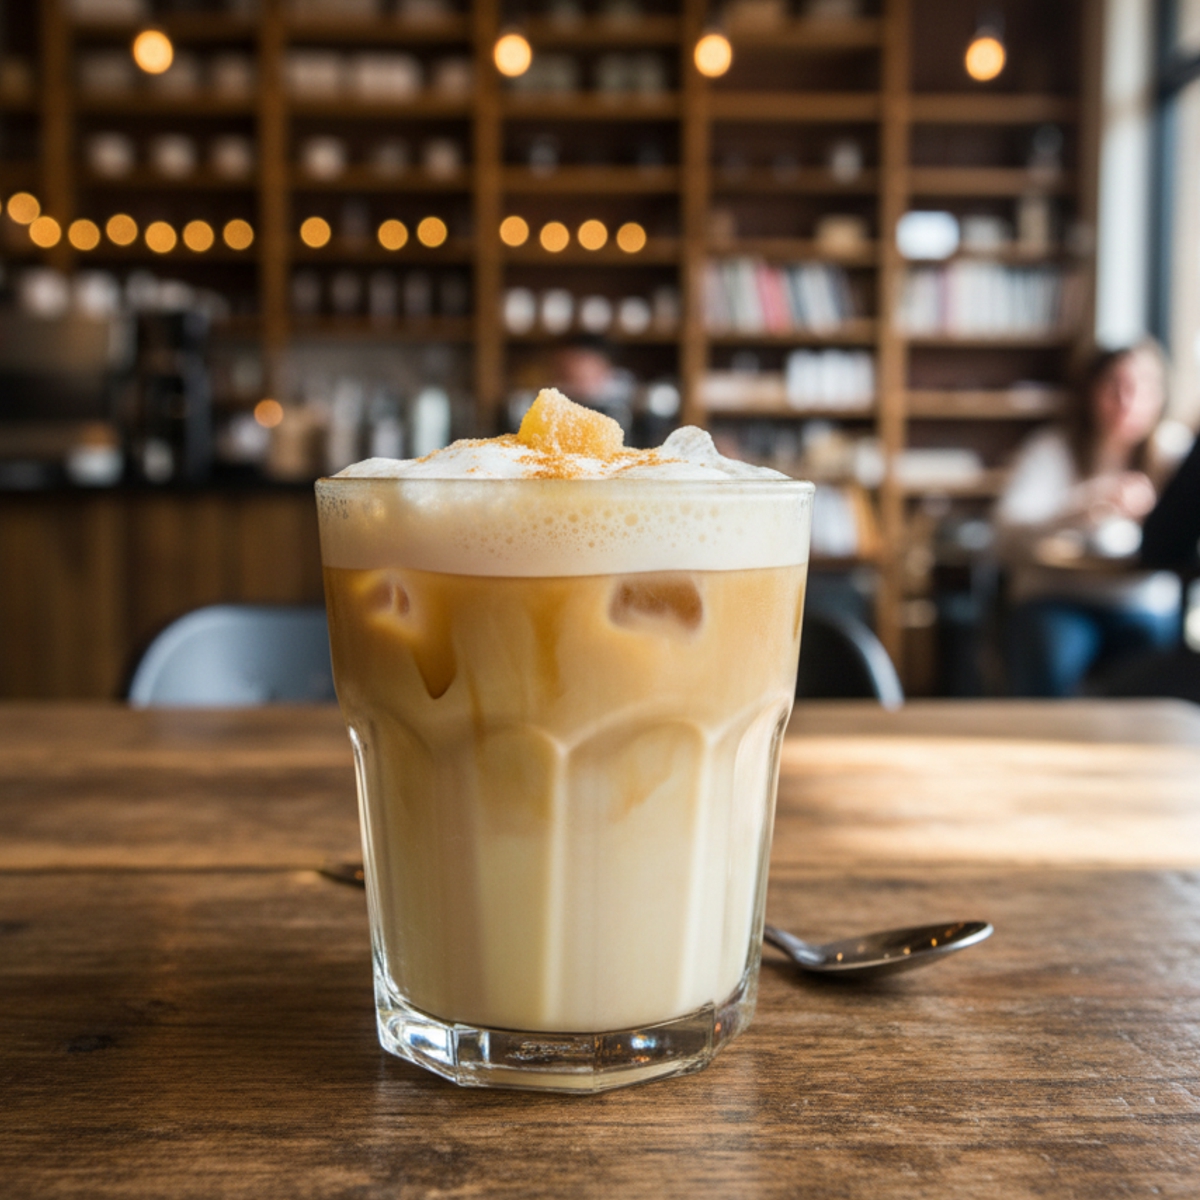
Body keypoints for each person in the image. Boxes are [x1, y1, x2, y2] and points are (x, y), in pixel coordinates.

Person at [993, 341, 1184, 696]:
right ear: (1091, 391)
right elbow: (1004, 538)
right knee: (1047, 655)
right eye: (1115, 385)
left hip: (1142, 604)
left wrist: (1162, 515)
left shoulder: (1173, 454)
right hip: (1058, 598)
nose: (1128, 400)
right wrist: (1082, 507)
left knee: (1164, 680)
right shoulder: (1051, 449)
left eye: (1143, 386)